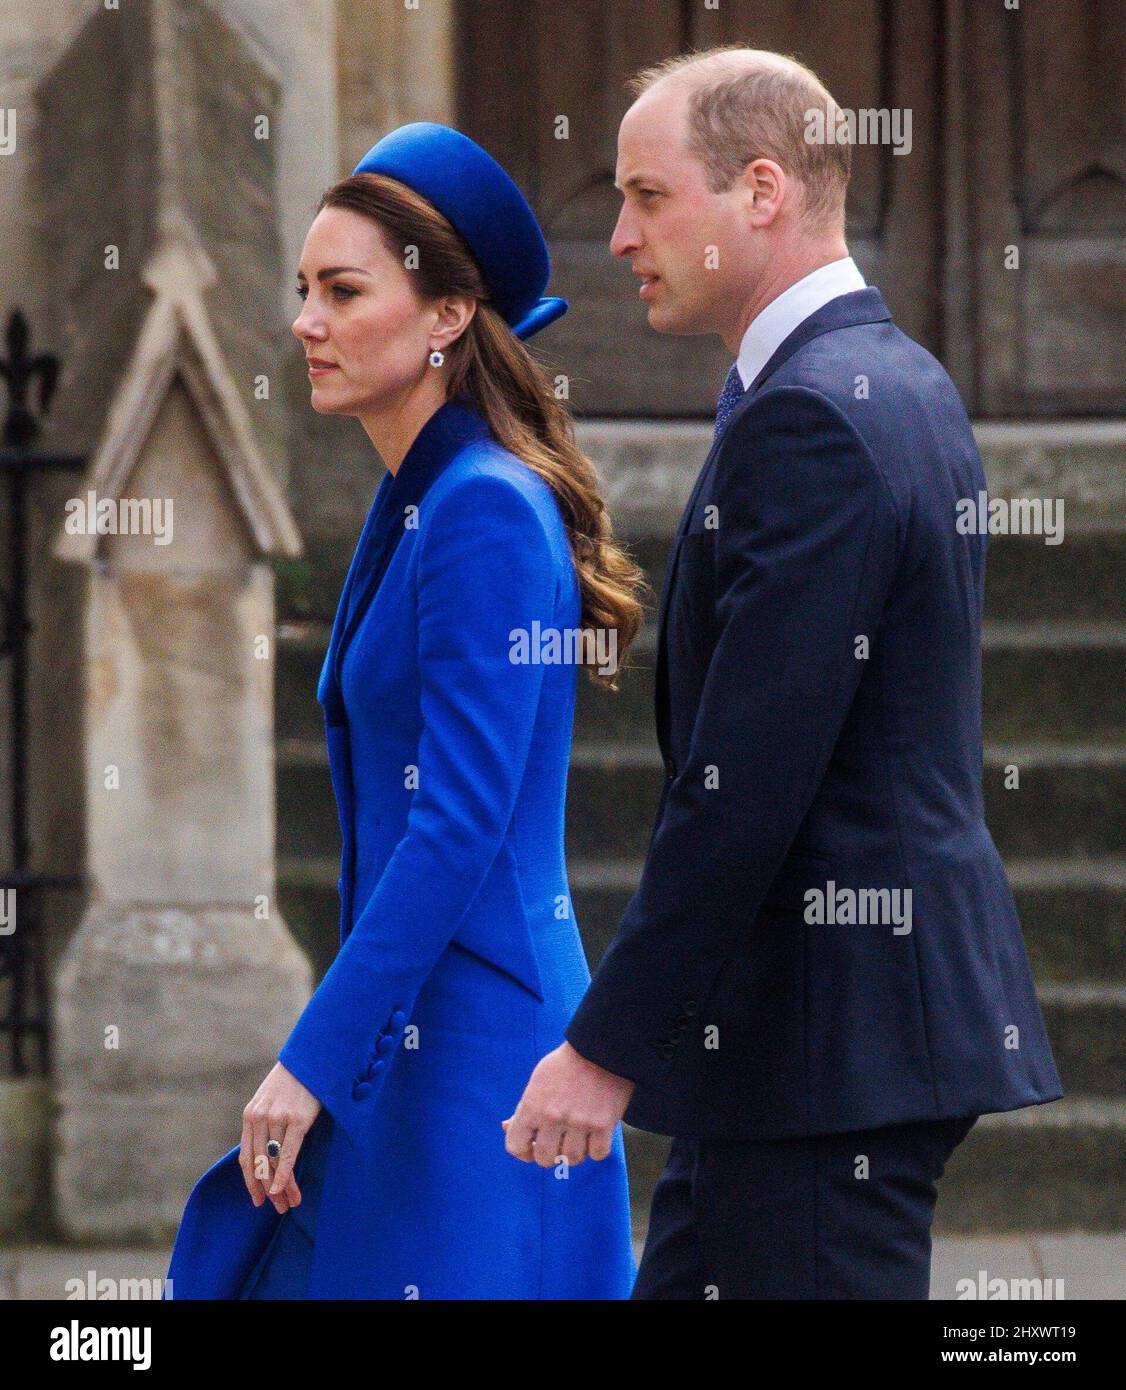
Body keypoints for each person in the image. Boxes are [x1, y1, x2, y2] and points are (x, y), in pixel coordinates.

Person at [507, 47, 1063, 1300]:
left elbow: (744, 780)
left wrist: (604, 1047)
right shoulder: (883, 382)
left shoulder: (816, 413)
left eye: (648, 197)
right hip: (787, 1045)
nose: (615, 238)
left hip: (831, 1049)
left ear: (761, 190)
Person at [165, 123, 643, 1299]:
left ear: (444, 316)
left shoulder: (481, 506)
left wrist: (310, 1060)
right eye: (302, 291)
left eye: (342, 290)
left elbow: (458, 822)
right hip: (416, 1032)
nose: (305, 323)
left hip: (479, 1051)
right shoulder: (422, 496)